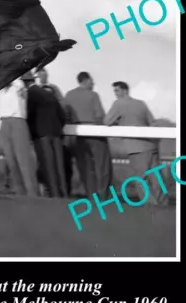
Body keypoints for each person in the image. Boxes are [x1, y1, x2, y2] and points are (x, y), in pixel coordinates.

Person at [104, 81, 167, 206]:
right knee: (156, 178)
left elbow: (107, 121)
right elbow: (152, 122)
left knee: (141, 179)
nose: (115, 94)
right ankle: (163, 204)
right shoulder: (141, 104)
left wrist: (119, 122)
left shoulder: (118, 104)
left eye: (117, 91)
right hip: (151, 146)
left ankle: (150, 206)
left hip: (136, 148)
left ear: (124, 90)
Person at [64, 71, 113, 199]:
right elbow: (99, 116)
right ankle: (103, 196)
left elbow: (66, 114)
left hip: (77, 134)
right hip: (95, 133)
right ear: (85, 81)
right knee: (102, 166)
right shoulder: (93, 95)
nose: (93, 83)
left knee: (85, 167)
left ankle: (91, 196)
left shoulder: (69, 95)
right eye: (91, 81)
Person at [23, 72, 68, 197]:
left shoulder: (30, 95)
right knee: (59, 165)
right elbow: (62, 115)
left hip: (42, 135)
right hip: (57, 132)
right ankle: (63, 192)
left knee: (48, 165)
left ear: (25, 83)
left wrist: (32, 135)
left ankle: (55, 194)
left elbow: (30, 116)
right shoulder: (49, 94)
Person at [0, 76, 39, 197]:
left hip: (17, 120)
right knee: (11, 161)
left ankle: (32, 193)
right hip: (4, 122)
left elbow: (19, 89)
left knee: (24, 160)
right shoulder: (1, 89)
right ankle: (20, 192)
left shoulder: (19, 85)